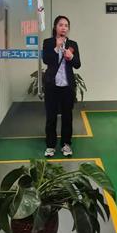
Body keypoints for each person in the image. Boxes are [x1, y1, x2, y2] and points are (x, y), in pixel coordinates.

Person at [42, 15, 81, 157]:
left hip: (67, 86)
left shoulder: (73, 44)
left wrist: (71, 57)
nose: (63, 28)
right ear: (55, 27)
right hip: (52, 85)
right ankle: (50, 145)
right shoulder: (48, 42)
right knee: (51, 116)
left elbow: (77, 64)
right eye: (60, 25)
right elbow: (46, 60)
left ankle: (66, 144)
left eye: (66, 25)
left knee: (67, 116)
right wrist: (56, 48)